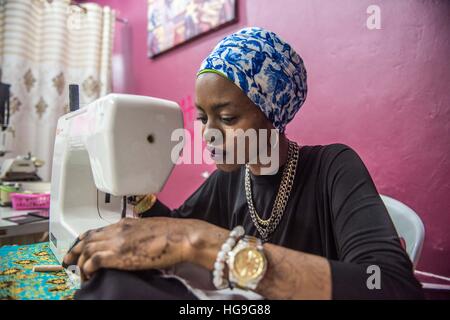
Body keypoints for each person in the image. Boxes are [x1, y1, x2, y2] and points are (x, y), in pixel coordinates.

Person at [64, 27, 424, 300]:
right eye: (204, 118)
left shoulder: (333, 168)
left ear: (274, 114)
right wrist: (138, 192)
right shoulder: (233, 178)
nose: (208, 134)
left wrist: (204, 242)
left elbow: (391, 285)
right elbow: (175, 230)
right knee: (115, 282)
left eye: (228, 117)